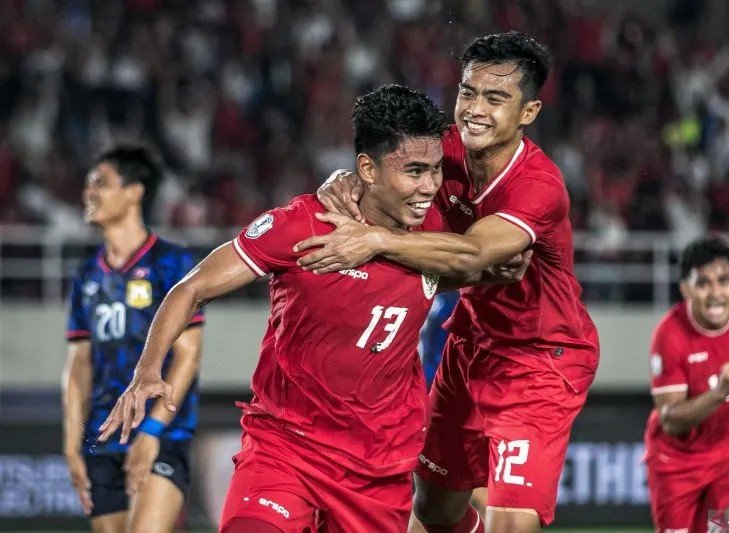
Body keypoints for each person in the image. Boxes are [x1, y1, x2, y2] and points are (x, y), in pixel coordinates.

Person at [97, 85, 516, 532]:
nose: (429, 186)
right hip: (285, 447)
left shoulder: (438, 231)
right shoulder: (301, 225)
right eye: (414, 171)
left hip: (378, 466)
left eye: (434, 170)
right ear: (367, 169)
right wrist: (146, 370)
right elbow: (190, 289)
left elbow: (504, 261)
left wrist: (397, 245)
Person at [303, 31, 599, 532]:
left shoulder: (539, 187)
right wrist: (346, 180)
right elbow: (381, 174)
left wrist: (376, 241)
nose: (475, 109)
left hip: (540, 358)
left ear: (528, 113)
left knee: (509, 522)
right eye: (468, 92)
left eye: (496, 98)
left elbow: (471, 253)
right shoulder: (443, 150)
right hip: (470, 346)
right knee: (434, 511)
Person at [62, 146, 205, 532]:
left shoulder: (173, 264)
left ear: (135, 191)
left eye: (100, 183)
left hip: (162, 435)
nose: (88, 193)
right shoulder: (85, 277)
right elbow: (78, 365)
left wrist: (152, 431)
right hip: (101, 440)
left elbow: (187, 356)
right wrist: (71, 442)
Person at [645, 236, 729, 533]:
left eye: (724, 280)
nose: (716, 293)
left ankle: (717, 526)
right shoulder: (670, 335)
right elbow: (670, 419)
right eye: (703, 283)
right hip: (677, 462)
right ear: (685, 288)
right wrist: (720, 393)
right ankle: (711, 526)